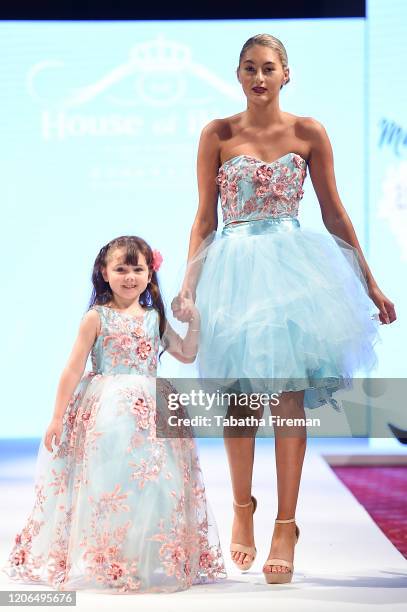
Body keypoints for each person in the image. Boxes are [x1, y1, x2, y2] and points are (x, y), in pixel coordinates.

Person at [171, 34, 397, 585]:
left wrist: (370, 284)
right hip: (234, 273)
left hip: (295, 274)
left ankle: (286, 523)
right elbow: (205, 219)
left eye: (268, 68)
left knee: (288, 398)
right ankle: (243, 509)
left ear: (286, 74)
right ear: (238, 74)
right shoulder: (217, 134)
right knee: (241, 397)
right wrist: (187, 286)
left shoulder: (308, 132)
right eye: (249, 68)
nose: (258, 77)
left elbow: (335, 215)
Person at [2, 235, 226, 594]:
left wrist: (195, 318)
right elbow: (72, 370)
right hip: (107, 409)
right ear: (104, 273)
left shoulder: (155, 318)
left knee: (155, 481)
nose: (129, 277)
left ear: (149, 274)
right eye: (120, 268)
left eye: (137, 269)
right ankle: (111, 557)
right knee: (110, 480)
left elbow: (186, 353)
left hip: (152, 407)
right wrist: (57, 417)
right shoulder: (96, 317)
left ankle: (145, 556)